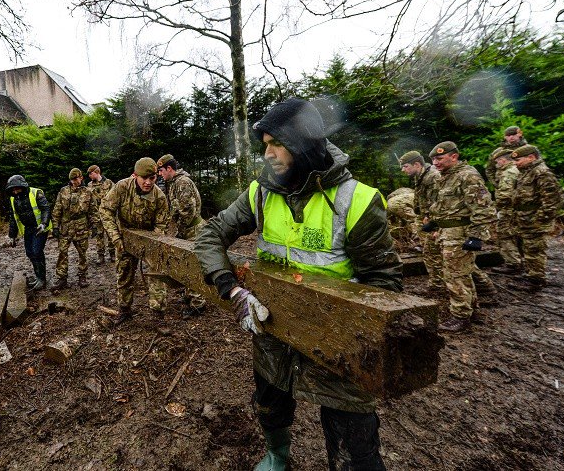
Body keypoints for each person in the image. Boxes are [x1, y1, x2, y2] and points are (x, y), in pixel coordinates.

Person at [194, 97, 402, 471]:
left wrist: (352, 338)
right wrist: (231, 288)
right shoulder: (260, 192)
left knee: (354, 444)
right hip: (274, 330)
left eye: (277, 144)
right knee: (270, 402)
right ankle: (277, 455)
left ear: (303, 143)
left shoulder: (357, 201)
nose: (268, 154)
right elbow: (210, 235)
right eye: (264, 146)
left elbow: (384, 288)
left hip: (339, 343)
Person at [425, 142, 496, 333]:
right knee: (461, 274)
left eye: (439, 158)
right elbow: (447, 205)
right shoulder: (446, 177)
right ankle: (471, 310)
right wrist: (434, 221)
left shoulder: (467, 175)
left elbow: (483, 208)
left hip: (459, 235)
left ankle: (460, 317)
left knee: (455, 276)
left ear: (454, 156)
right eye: (433, 159)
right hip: (447, 234)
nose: (435, 163)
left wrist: (476, 236)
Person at [100, 158, 170, 325]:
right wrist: (115, 237)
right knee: (124, 274)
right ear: (134, 176)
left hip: (150, 239)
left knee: (158, 274)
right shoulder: (122, 187)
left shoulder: (159, 197)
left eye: (152, 178)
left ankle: (158, 316)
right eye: (143, 178)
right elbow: (105, 209)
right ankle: (124, 310)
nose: (147, 182)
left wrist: (153, 244)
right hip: (125, 238)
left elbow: (162, 224)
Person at [157, 154, 207, 318]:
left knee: (192, 265)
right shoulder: (174, 183)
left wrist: (179, 231)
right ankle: (189, 295)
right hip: (187, 229)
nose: (160, 175)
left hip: (193, 230)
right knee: (186, 263)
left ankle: (198, 304)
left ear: (169, 169)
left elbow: (187, 211)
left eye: (161, 171)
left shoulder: (182, 183)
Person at [510, 145, 564, 289]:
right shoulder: (527, 172)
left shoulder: (541, 173)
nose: (515, 163)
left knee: (534, 250)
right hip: (524, 219)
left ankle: (536, 280)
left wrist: (540, 219)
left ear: (531, 157)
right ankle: (531, 274)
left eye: (518, 160)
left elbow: (553, 200)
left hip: (534, 221)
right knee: (526, 248)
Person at [399, 150, 444, 288]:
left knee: (434, 253)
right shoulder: (420, 176)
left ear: (417, 164)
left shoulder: (433, 177)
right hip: (427, 220)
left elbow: (440, 203)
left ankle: (439, 284)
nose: (403, 170)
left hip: (435, 222)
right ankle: (437, 283)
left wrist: (436, 225)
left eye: (405, 166)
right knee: (430, 252)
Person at [51, 168, 99, 290]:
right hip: (66, 227)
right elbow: (57, 210)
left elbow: (93, 210)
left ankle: (82, 276)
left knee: (82, 253)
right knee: (62, 253)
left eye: (76, 179)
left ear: (81, 178)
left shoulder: (87, 192)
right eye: (72, 179)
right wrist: (55, 226)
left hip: (81, 227)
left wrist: (95, 226)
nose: (74, 181)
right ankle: (62, 278)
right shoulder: (63, 191)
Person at [6, 175, 51, 289]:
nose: (15, 192)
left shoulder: (36, 193)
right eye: (13, 190)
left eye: (17, 189)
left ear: (22, 186)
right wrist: (12, 236)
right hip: (28, 228)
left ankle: (42, 279)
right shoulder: (13, 199)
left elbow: (46, 208)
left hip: (40, 227)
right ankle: (38, 276)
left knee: (37, 251)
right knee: (30, 252)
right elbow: (13, 217)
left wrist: (44, 223)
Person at [491, 149, 523, 274]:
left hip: (507, 210)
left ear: (503, 160)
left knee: (505, 235)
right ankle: (519, 261)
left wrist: (494, 208)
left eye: (498, 161)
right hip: (516, 210)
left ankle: (513, 263)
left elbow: (505, 195)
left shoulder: (508, 173)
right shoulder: (518, 170)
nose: (496, 164)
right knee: (515, 235)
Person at [86, 165, 115, 264]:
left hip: (108, 214)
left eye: (91, 173)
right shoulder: (89, 185)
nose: (89, 176)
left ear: (96, 172)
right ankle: (101, 256)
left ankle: (113, 254)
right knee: (99, 236)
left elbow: (115, 196)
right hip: (96, 214)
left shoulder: (109, 183)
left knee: (110, 234)